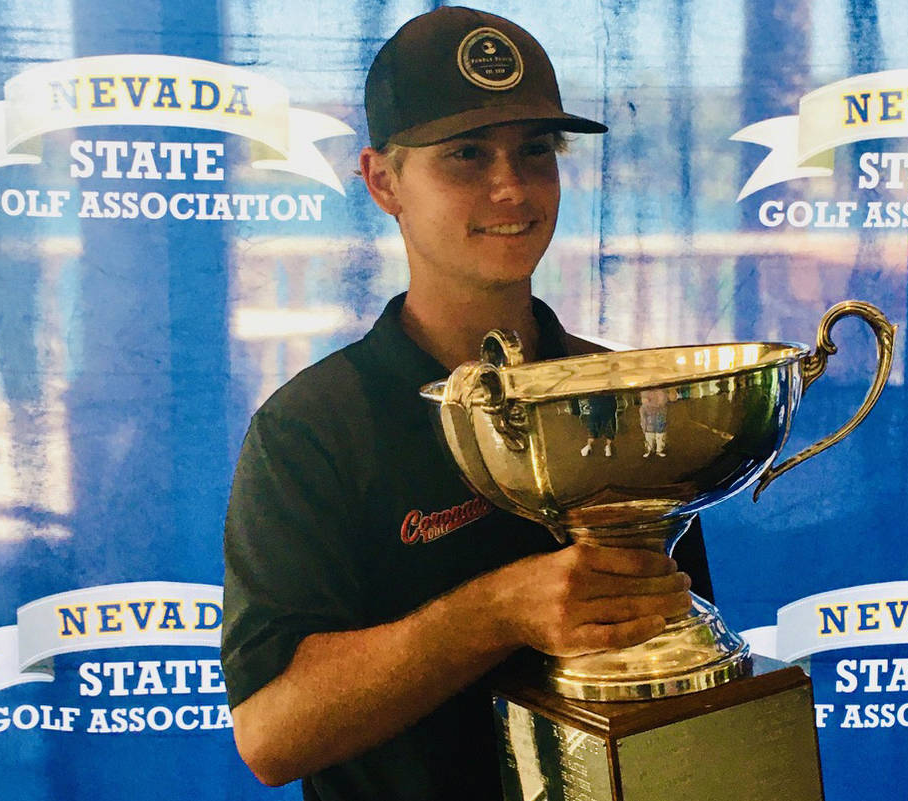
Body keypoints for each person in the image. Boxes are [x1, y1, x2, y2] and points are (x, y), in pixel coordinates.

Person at [221, 7, 714, 800]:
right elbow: (272, 735)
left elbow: (682, 667)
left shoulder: (624, 396)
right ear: (384, 180)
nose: (511, 187)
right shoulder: (312, 427)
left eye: (535, 151)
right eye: (465, 155)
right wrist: (495, 611)